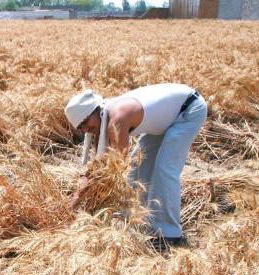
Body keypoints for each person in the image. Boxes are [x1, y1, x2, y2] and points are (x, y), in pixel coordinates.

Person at [64, 83, 207, 252]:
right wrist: (77, 195)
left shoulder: (117, 119)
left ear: (94, 111)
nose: (85, 128)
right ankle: (135, 221)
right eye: (80, 127)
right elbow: (98, 164)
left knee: (164, 169)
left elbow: (115, 165)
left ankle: (170, 236)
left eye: (86, 122)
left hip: (188, 110)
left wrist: (81, 197)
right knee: (138, 168)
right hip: (165, 119)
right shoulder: (102, 120)